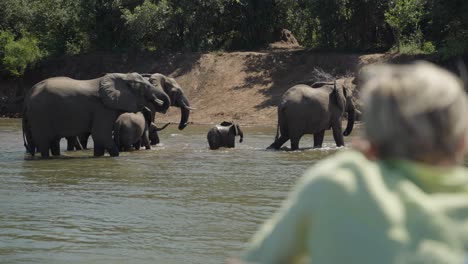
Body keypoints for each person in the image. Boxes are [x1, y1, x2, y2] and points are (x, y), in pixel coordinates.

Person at [232, 61, 468, 264]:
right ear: (462, 142)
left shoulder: (338, 180)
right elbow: (337, 137)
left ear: (371, 142)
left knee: (288, 143)